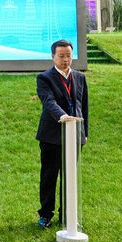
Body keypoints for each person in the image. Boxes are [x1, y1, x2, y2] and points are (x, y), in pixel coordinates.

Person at [35, 39, 89, 228]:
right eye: (61, 56)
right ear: (53, 57)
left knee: (70, 176)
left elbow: (84, 106)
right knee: (49, 176)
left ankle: (66, 214)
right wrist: (63, 116)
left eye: (68, 56)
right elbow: (48, 101)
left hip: (75, 134)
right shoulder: (44, 78)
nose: (66, 60)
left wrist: (85, 132)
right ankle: (45, 214)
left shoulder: (79, 77)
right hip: (52, 136)